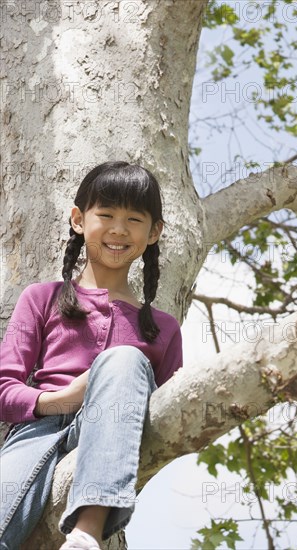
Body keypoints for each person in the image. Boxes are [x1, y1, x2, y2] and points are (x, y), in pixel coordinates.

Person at [0, 161, 183, 550]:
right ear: (79, 220)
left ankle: (88, 531)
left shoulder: (165, 328)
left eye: (134, 218)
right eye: (106, 214)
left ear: (154, 232)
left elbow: (170, 415)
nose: (118, 229)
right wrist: (64, 399)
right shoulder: (41, 298)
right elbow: (4, 390)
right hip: (37, 430)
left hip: (116, 429)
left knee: (124, 360)